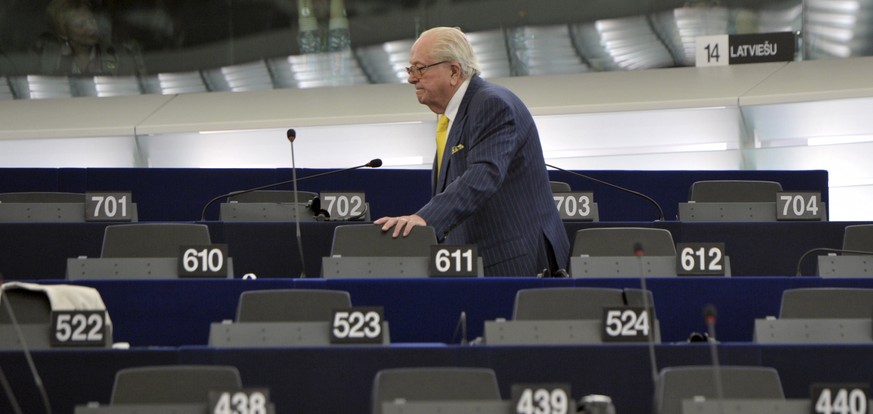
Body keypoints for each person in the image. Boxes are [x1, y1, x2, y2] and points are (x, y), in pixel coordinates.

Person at [374, 26, 570, 277]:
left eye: (420, 68)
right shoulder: (455, 115)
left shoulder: (491, 104)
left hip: (515, 261)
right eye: (410, 69)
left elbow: (484, 174)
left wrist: (425, 219)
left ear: (454, 71)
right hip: (482, 263)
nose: (412, 78)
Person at [34, 0, 145, 76]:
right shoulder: (47, 58)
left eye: (92, 20)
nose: (92, 28)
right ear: (64, 33)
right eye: (81, 25)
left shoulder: (121, 54)